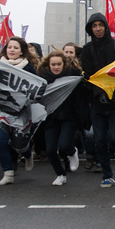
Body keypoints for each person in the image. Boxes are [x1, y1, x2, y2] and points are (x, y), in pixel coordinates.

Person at [80, 13, 115, 187]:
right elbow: (88, 77)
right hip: (97, 103)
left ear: (106, 26)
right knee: (99, 140)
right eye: (94, 26)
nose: (98, 29)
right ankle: (107, 175)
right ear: (90, 29)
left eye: (100, 25)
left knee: (114, 137)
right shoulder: (87, 50)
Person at [0, 37, 40, 185]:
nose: (12, 50)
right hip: (0, 110)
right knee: (0, 141)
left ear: (21, 51)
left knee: (19, 143)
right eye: (9, 47)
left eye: (16, 48)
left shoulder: (28, 68)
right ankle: (8, 173)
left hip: (20, 110)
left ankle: (27, 153)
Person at [38, 50, 84, 186]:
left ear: (64, 64)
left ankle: (72, 151)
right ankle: (60, 174)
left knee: (64, 145)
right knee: (51, 149)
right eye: (53, 64)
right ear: (48, 65)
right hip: (51, 117)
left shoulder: (73, 76)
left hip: (69, 116)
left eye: (59, 64)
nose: (56, 67)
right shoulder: (43, 78)